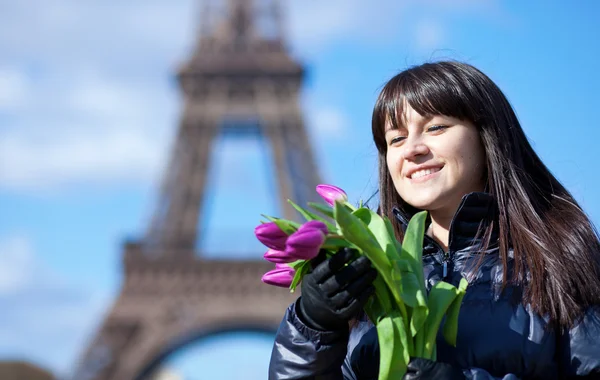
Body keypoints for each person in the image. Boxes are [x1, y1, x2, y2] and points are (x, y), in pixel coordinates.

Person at [267, 61, 600, 379]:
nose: (412, 148)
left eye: (436, 127)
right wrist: (313, 325)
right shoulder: (367, 271)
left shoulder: (560, 259)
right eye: (395, 138)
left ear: (488, 136)